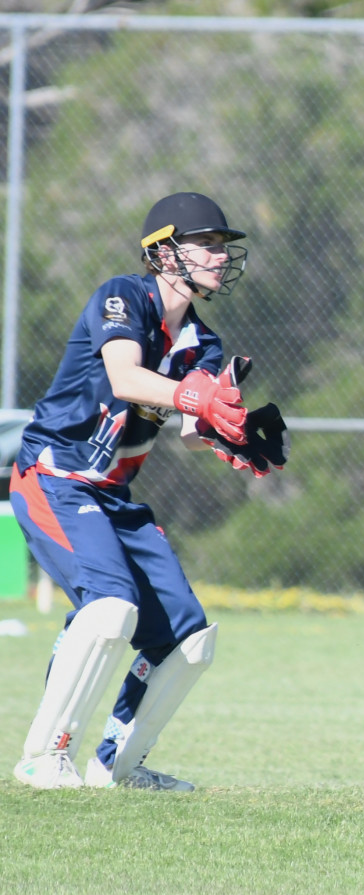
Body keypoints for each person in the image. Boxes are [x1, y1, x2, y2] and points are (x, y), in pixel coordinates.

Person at [10, 192, 288, 792]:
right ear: (164, 252)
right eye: (206, 244)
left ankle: (118, 767)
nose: (220, 256)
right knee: (111, 609)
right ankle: (44, 756)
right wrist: (200, 399)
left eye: (223, 246)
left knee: (189, 637)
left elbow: (191, 429)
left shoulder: (201, 343)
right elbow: (125, 376)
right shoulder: (122, 296)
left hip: (113, 496)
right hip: (55, 478)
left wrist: (229, 435)